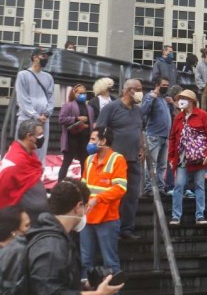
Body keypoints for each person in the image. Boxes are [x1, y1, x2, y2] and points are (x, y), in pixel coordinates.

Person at [25, 181, 124, 295]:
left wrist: (84, 285)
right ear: (78, 207)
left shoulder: (59, 237)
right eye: (85, 206)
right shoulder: (52, 245)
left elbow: (55, 282)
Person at [79, 127, 127, 295]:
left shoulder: (117, 160)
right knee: (85, 261)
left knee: (111, 262)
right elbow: (84, 186)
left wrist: (98, 199)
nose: (90, 142)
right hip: (87, 219)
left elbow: (120, 188)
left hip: (107, 219)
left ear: (104, 141)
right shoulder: (89, 160)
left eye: (93, 139)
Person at [95, 79, 144, 240]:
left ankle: (127, 229)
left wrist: (142, 147)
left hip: (134, 160)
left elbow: (139, 129)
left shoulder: (138, 110)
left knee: (132, 195)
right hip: (115, 161)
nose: (140, 92)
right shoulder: (111, 108)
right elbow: (99, 131)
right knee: (115, 195)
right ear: (129, 90)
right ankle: (111, 228)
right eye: (138, 89)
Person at [168, 90, 207, 225]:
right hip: (182, 157)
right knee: (179, 185)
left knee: (199, 185)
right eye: (180, 98)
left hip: (200, 158)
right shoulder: (178, 118)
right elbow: (172, 138)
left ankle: (200, 215)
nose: (181, 100)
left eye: (184, 98)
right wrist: (171, 158)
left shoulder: (202, 115)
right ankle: (176, 215)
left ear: (192, 101)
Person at [0, 120, 47, 223]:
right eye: (39, 135)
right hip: (17, 223)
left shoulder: (29, 154)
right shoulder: (15, 162)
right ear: (29, 136)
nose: (42, 137)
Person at [14, 47, 55, 163]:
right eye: (43, 56)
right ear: (35, 57)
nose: (45, 59)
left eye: (46, 56)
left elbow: (51, 98)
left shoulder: (48, 77)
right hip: (27, 118)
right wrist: (36, 115)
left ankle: (38, 175)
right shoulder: (23, 75)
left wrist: (46, 114)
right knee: (23, 148)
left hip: (43, 119)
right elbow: (22, 98)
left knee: (41, 148)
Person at [140, 77, 173, 197]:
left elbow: (169, 116)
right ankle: (149, 188)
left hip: (165, 136)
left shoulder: (164, 99)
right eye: (164, 85)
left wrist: (171, 104)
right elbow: (143, 112)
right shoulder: (150, 96)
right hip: (154, 135)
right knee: (151, 163)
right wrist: (150, 99)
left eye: (167, 85)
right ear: (157, 85)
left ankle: (160, 187)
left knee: (162, 165)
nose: (166, 87)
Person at [57, 84, 94, 181]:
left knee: (84, 163)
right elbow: (61, 119)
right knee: (67, 162)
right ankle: (60, 184)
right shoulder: (68, 105)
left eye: (84, 93)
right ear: (75, 93)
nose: (83, 95)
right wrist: (76, 119)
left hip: (85, 139)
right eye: (80, 93)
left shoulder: (89, 108)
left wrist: (87, 126)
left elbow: (91, 123)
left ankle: (83, 185)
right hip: (71, 139)